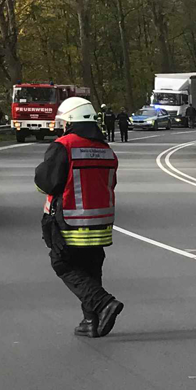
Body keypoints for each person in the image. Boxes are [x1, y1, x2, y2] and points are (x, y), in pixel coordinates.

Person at [34, 97, 123, 337]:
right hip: (101, 223)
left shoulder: (64, 145)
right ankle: (91, 321)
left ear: (70, 120)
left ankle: (103, 303)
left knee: (62, 263)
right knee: (91, 267)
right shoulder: (106, 149)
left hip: (69, 221)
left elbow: (48, 183)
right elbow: (111, 182)